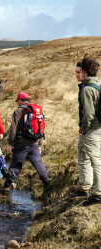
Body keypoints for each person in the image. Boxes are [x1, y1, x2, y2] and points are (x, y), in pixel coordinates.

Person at [3, 92, 49, 189]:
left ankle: (5, 188)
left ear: (21, 101)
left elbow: (13, 129)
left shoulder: (18, 111)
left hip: (21, 145)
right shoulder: (36, 110)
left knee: (15, 166)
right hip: (34, 144)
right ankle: (47, 184)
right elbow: (40, 128)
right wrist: (39, 144)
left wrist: (11, 143)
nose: (17, 103)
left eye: (17, 101)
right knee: (39, 164)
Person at [73, 57, 101, 206]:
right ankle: (84, 187)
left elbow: (88, 114)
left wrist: (83, 129)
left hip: (92, 130)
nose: (77, 75)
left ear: (84, 71)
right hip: (96, 129)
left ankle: (98, 194)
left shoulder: (88, 89)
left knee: (96, 161)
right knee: (83, 156)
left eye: (79, 71)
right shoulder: (98, 84)